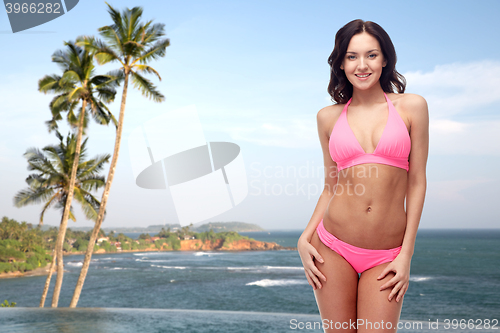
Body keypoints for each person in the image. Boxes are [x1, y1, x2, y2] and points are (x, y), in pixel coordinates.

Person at [298, 19, 428, 332]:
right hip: (332, 246)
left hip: (387, 254)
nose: (362, 65)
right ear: (341, 63)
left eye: (371, 55)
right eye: (352, 56)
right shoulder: (327, 117)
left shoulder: (412, 107)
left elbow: (418, 181)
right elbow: (331, 186)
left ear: (385, 59)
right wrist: (305, 237)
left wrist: (406, 255)